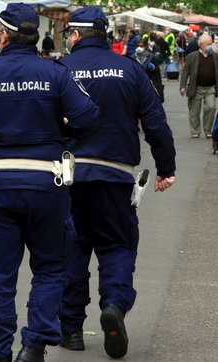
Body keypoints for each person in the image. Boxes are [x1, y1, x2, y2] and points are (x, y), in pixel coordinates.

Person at [0, 4, 100, 361]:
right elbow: (89, 115)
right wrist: (63, 137)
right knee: (50, 267)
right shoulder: (55, 72)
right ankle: (34, 345)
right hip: (47, 181)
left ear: (3, 36)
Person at [59, 7, 176, 359]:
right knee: (118, 246)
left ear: (76, 35)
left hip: (67, 176)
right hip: (114, 175)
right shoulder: (130, 70)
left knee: (72, 250)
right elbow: (156, 123)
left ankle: (72, 329)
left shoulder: (60, 70)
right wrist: (166, 167)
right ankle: (114, 304)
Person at [180, 34, 218, 138]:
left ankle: (207, 129)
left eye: (211, 44)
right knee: (194, 110)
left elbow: (217, 70)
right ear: (201, 45)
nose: (210, 46)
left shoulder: (215, 56)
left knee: (211, 107)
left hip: (210, 87)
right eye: (208, 44)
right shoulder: (192, 56)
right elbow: (185, 72)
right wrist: (182, 86)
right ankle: (195, 130)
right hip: (196, 87)